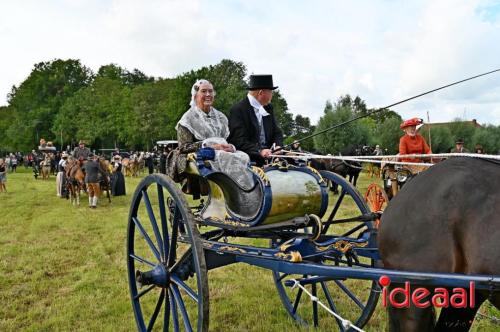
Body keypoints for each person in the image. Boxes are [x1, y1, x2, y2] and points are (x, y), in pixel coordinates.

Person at [167, 79, 253, 198]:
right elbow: (184, 147)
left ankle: (247, 192)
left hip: (224, 151)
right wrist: (210, 146)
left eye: (210, 91)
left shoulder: (221, 117)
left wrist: (231, 147)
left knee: (244, 156)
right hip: (203, 154)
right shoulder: (187, 119)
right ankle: (232, 196)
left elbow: (231, 139)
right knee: (223, 157)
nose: (208, 95)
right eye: (204, 91)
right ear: (195, 95)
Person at [228, 74, 283, 166]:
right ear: (261, 93)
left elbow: (276, 132)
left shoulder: (269, 108)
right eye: (270, 92)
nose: (272, 95)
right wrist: (260, 151)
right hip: (249, 160)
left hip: (271, 158)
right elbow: (238, 140)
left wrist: (278, 146)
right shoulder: (238, 110)